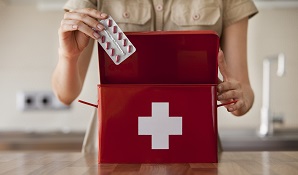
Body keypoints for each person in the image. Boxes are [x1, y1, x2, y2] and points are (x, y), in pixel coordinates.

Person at [52, 0, 258, 152]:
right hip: (115, 145)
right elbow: (66, 95)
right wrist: (68, 56)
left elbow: (243, 91)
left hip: (194, 145)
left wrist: (238, 96)